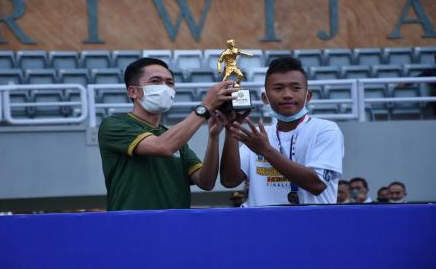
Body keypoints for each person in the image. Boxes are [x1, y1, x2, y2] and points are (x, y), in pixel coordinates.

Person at [98, 58, 237, 210]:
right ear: (133, 92)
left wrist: (214, 138)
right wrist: (205, 107)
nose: (164, 88)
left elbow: (206, 182)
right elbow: (163, 146)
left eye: (170, 83)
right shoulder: (114, 124)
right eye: (155, 81)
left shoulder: (173, 137)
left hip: (175, 226)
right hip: (132, 225)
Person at [219, 56, 344, 206]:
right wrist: (231, 130)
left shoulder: (326, 130)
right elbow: (229, 181)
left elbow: (317, 185)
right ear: (265, 98)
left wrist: (265, 150)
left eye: (296, 88)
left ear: (308, 96)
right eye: (278, 88)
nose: (287, 95)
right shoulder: (259, 135)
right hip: (263, 225)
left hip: (311, 225)